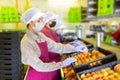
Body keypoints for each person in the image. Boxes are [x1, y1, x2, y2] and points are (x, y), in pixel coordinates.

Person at [20, 8, 88, 80]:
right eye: (38, 20)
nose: (41, 23)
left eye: (41, 20)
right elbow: (39, 66)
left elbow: (56, 46)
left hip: (49, 72)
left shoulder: (40, 35)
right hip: (38, 76)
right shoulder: (26, 42)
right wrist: (62, 64)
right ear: (30, 22)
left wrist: (74, 48)